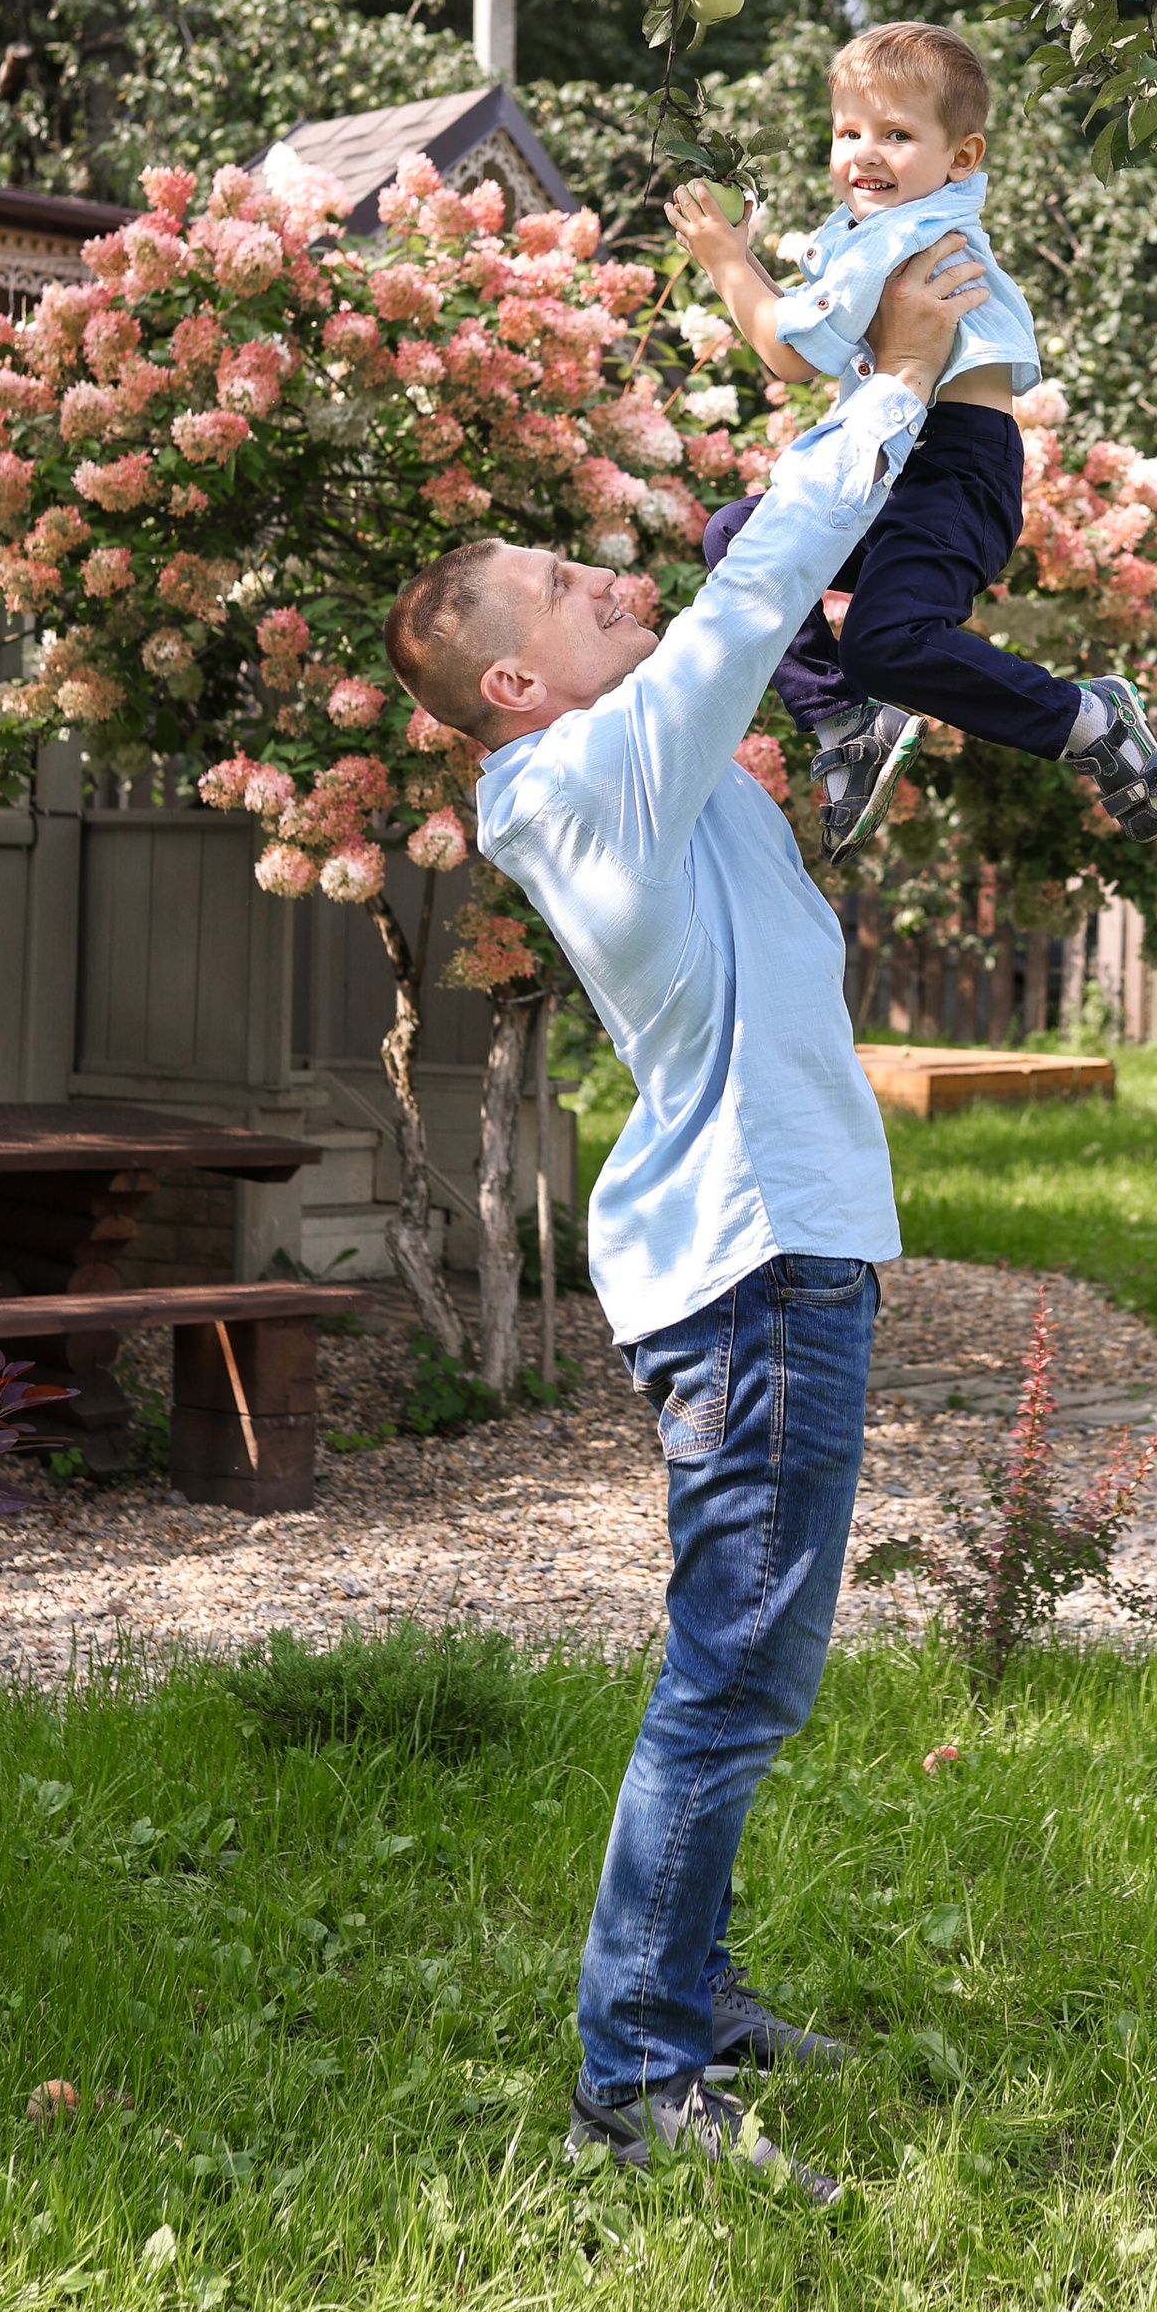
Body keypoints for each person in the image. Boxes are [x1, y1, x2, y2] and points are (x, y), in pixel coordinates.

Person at [381, 230, 990, 2198]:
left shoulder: (660, 772)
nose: (603, 581)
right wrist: (892, 381)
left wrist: (834, 365)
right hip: (748, 1271)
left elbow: (768, 612)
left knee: (742, 1663)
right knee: (734, 1671)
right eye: (565, 591)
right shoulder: (580, 783)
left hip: (782, 1254)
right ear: (512, 683)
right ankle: (632, 2078)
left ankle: (691, 1997)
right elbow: (746, 600)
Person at [667, 20, 1157, 861]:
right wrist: (744, 257)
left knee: (886, 643)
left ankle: (1090, 720)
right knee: (736, 534)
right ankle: (843, 719)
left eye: (897, 135)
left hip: (954, 471)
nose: (865, 153)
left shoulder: (909, 235)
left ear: (961, 157)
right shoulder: (872, 231)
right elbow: (797, 321)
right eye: (848, 132)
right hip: (895, 466)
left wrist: (722, 259)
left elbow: (788, 355)